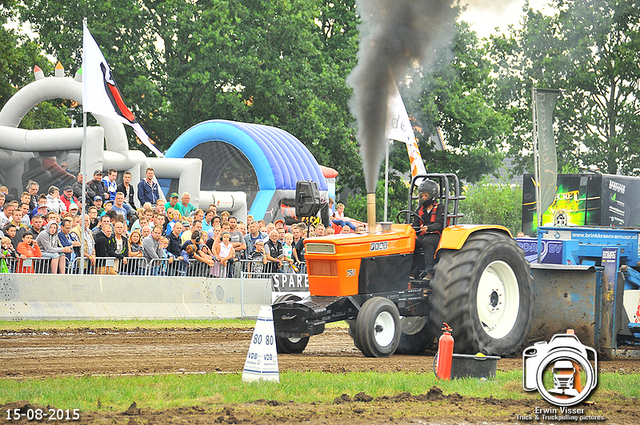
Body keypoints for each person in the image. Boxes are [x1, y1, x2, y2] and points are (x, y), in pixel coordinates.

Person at [412, 179, 445, 280]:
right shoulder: (419, 210)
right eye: (421, 196)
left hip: (436, 235)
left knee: (427, 241)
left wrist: (428, 228)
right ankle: (411, 272)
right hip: (423, 235)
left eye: (425, 196)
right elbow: (415, 225)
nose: (423, 198)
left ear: (432, 195)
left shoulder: (440, 208)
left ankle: (429, 272)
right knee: (412, 242)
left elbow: (440, 224)